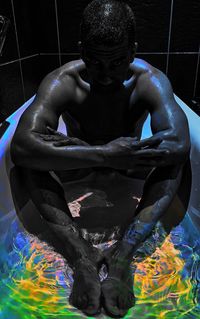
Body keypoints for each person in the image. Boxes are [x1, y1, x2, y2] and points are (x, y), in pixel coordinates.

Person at [10, 0, 190, 317]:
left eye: (117, 62)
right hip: (80, 169)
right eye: (95, 62)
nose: (105, 76)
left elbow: (178, 145)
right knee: (26, 166)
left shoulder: (149, 80)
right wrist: (105, 154)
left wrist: (77, 148)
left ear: (133, 51)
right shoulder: (62, 82)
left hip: (125, 169)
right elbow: (22, 147)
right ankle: (80, 256)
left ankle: (122, 257)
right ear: (81, 50)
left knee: (177, 163)